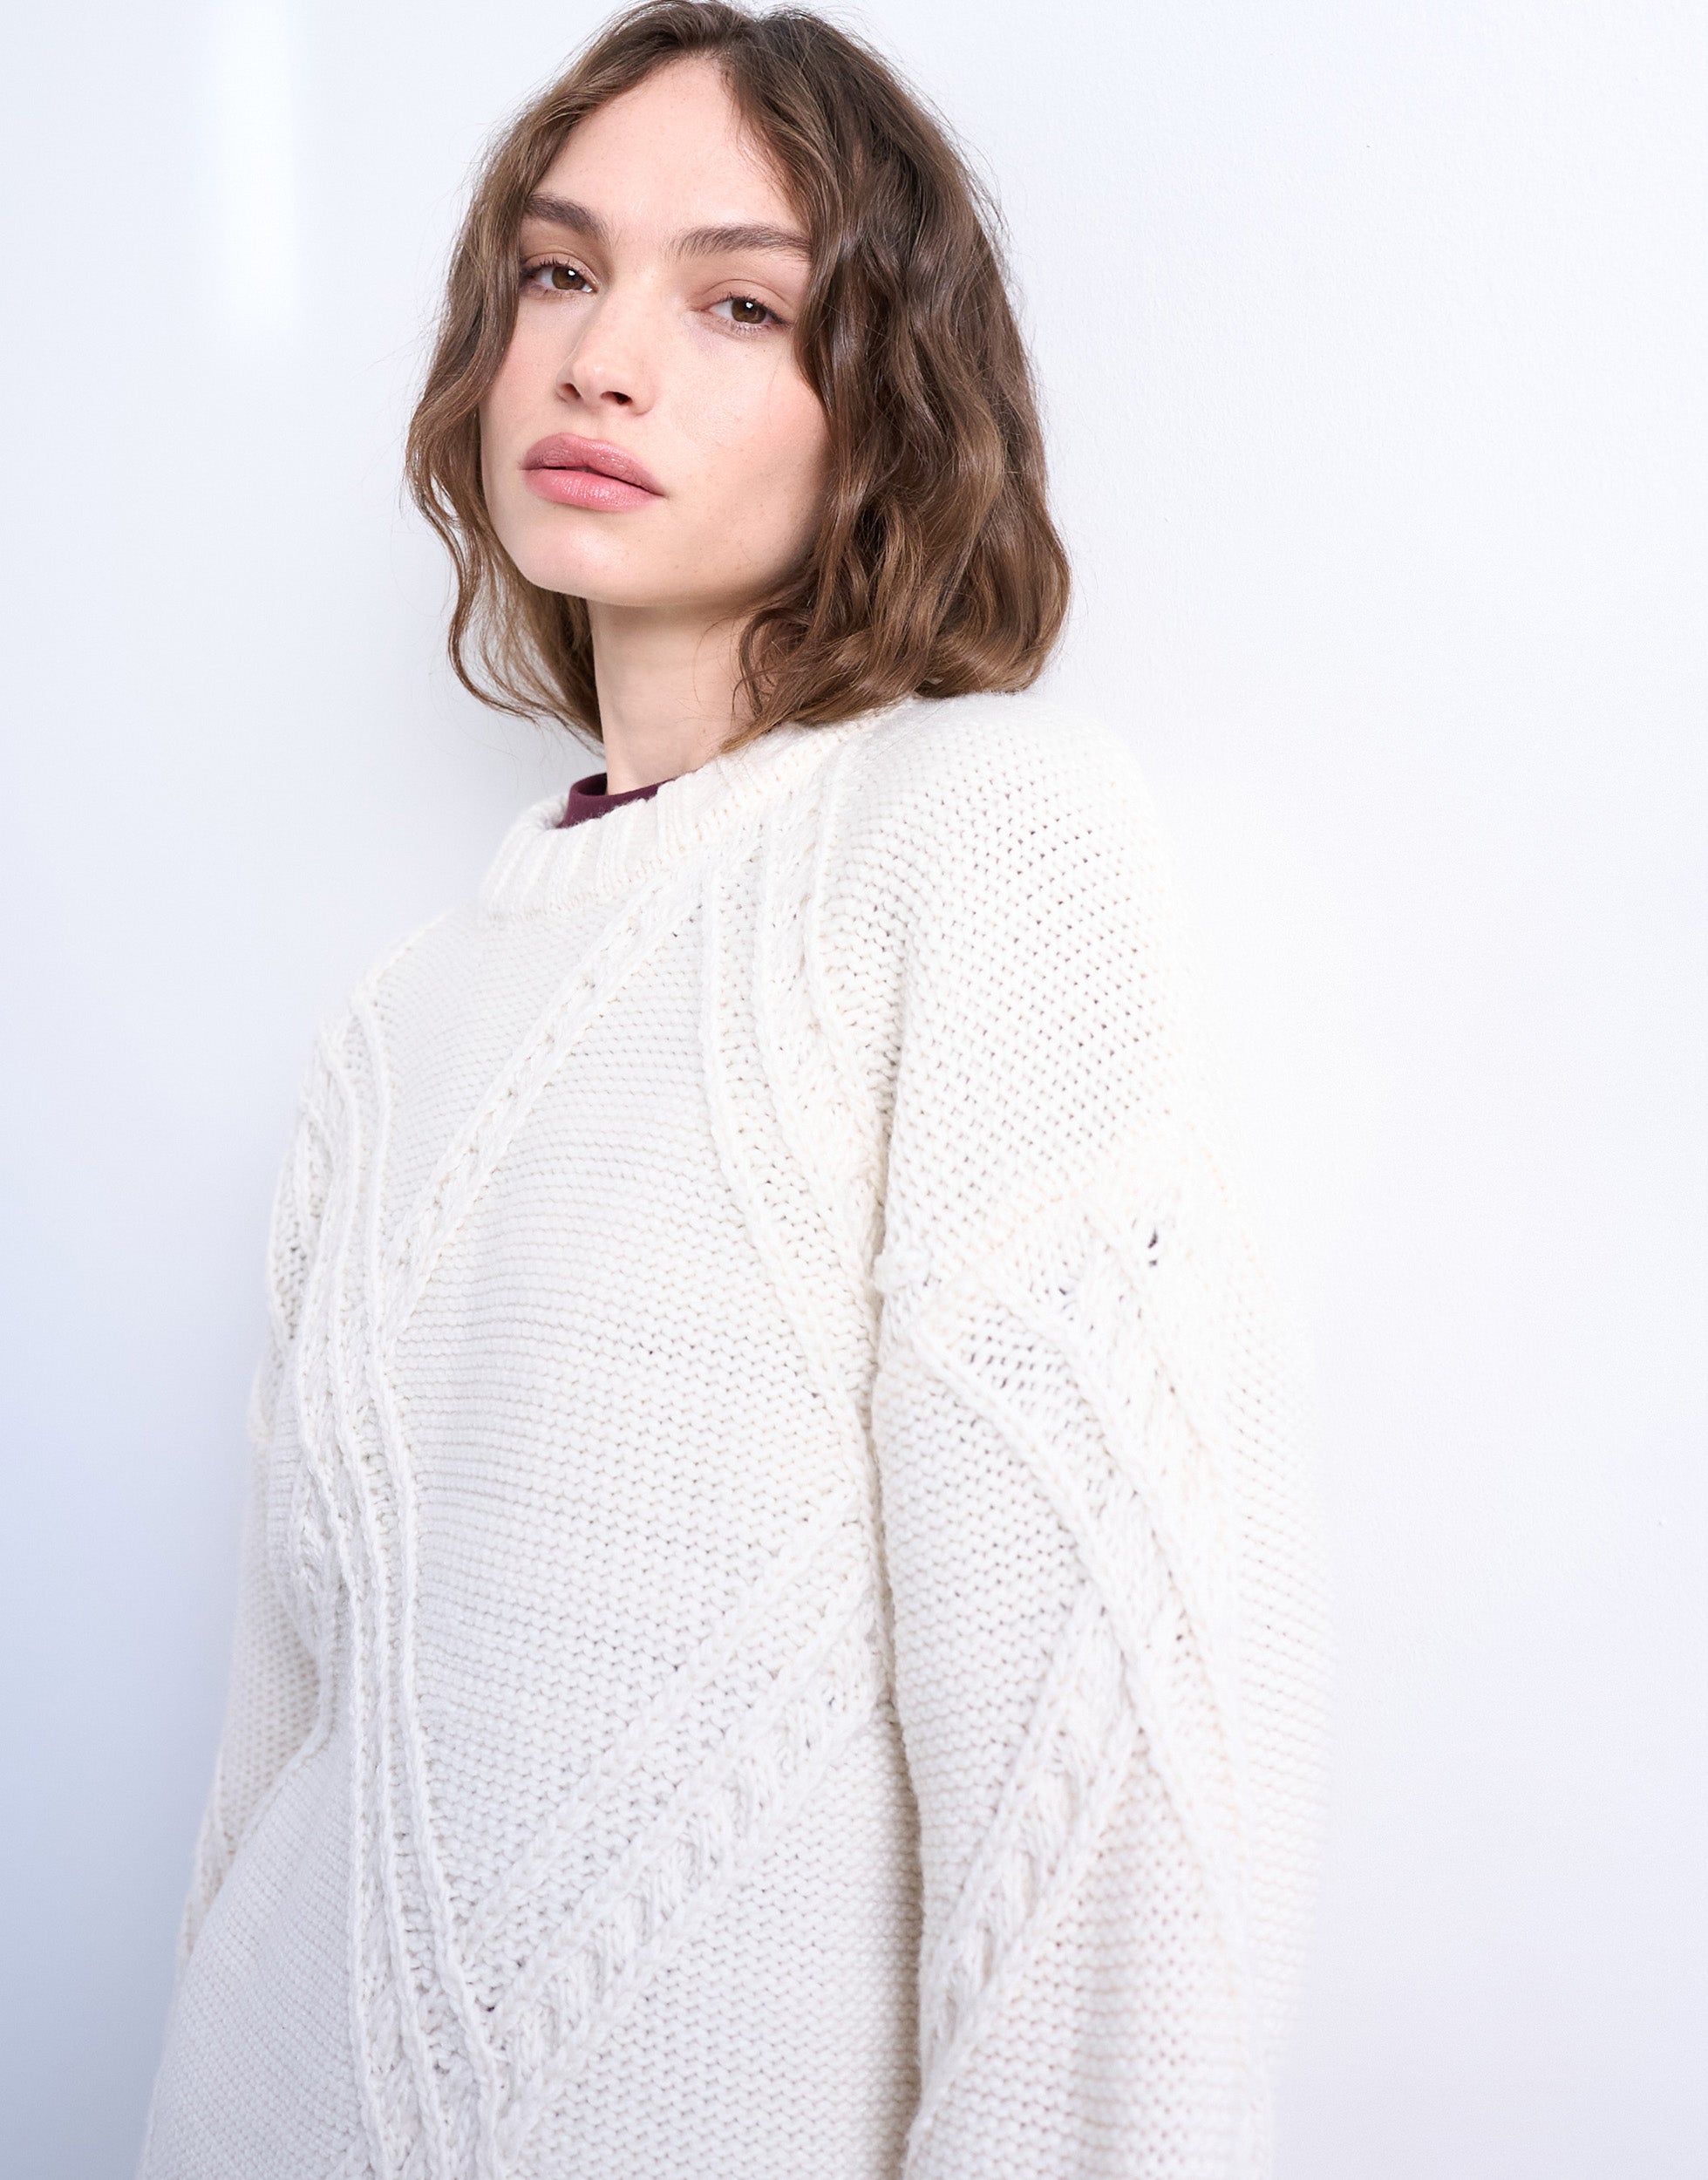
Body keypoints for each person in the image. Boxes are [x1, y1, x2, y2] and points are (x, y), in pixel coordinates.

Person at [137, 4, 1329, 2176]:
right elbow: (278, 1757)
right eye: (557, 271)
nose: (600, 360)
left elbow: (1103, 1796)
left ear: (888, 402)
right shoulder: (395, 1023)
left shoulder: (977, 844)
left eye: (740, 302)